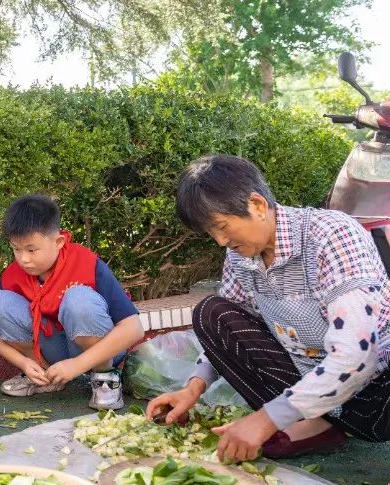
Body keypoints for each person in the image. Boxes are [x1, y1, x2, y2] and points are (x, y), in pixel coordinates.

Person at [148, 154, 390, 462]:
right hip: (304, 382)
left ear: (258, 206)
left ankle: (318, 421)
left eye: (222, 226)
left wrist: (266, 419)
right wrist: (193, 389)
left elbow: (358, 355)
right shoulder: (240, 257)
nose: (221, 240)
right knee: (212, 313)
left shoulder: (332, 235)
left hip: (373, 394)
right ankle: (317, 421)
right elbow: (227, 330)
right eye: (211, 233)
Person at [0, 195, 145, 410]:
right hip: (50, 350)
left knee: (78, 300)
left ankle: (105, 378)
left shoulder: (86, 264)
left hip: (98, 350)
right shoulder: (13, 275)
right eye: (16, 249)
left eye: (31, 250)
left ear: (58, 242)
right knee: (0, 303)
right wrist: (24, 363)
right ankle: (44, 376)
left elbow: (134, 329)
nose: (23, 259)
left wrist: (77, 365)